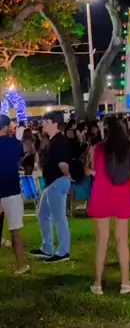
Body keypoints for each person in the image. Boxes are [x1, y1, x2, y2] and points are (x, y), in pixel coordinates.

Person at [87, 116, 130, 295]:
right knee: (122, 240)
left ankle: (97, 284)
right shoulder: (129, 149)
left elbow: (92, 168)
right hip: (122, 194)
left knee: (102, 240)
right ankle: (125, 282)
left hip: (101, 194)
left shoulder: (98, 148)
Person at [30, 111, 72, 263]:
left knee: (59, 218)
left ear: (54, 123)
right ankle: (47, 247)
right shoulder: (52, 140)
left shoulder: (59, 141)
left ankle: (63, 251)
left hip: (57, 181)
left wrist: (67, 176)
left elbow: (63, 163)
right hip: (51, 182)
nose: (43, 124)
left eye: (46, 121)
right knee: (42, 214)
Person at [0, 114, 29, 274]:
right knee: (15, 230)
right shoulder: (16, 144)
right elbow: (22, 157)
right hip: (12, 189)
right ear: (6, 127)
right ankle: (21, 266)